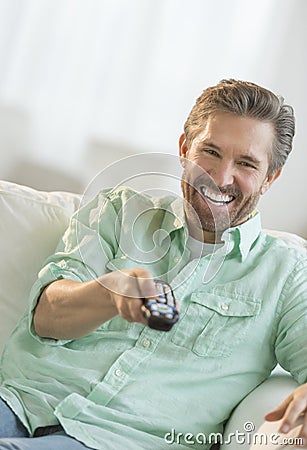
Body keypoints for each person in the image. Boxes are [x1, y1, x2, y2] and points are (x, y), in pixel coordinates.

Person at [0, 79, 306, 450]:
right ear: (183, 149)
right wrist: (109, 294)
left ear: (270, 177)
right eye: (210, 152)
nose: (221, 178)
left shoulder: (288, 275)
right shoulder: (119, 210)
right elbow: (45, 318)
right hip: (20, 401)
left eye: (245, 163)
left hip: (118, 440)